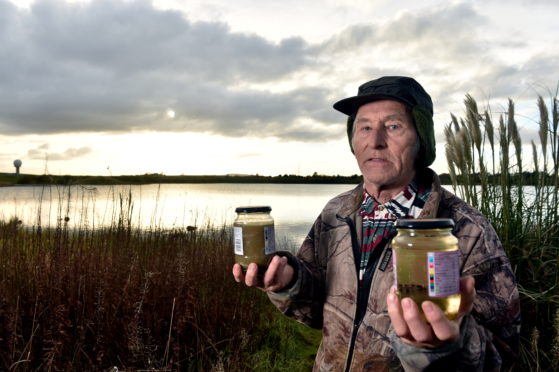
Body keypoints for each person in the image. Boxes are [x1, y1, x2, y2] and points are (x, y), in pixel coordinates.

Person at [233, 76, 520, 371]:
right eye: (365, 127)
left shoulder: (465, 229)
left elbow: (503, 352)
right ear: (353, 140)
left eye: (393, 127)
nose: (375, 141)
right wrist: (289, 283)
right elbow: (317, 311)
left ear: (421, 140)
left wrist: (444, 348)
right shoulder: (336, 212)